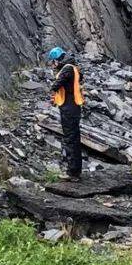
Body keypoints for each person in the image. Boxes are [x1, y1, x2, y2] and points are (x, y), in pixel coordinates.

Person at [48, 47, 84, 180]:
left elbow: (57, 84)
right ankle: (76, 171)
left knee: (70, 139)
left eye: (53, 62)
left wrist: (53, 88)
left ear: (56, 60)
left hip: (69, 108)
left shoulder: (67, 68)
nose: (53, 65)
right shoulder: (73, 67)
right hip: (73, 107)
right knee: (74, 139)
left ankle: (73, 173)